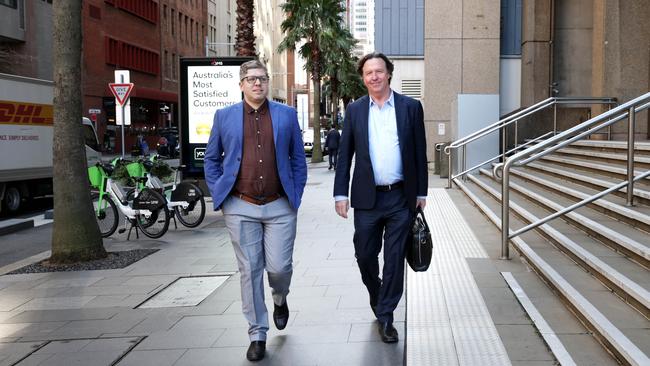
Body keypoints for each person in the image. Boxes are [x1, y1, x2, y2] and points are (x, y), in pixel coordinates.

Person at [204, 60, 307, 362]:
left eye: (262, 78)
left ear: (267, 82)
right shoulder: (224, 117)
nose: (257, 84)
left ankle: (279, 297)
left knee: (279, 268)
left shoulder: (286, 115)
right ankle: (257, 333)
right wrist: (220, 191)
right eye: (251, 79)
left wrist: (296, 195)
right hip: (240, 205)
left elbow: (298, 159)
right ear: (241, 84)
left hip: (280, 205)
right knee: (249, 271)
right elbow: (211, 159)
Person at [333, 52, 427, 344]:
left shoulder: (411, 107)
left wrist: (421, 192)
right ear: (363, 78)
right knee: (364, 255)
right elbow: (345, 154)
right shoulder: (356, 110)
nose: (374, 76)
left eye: (378, 71)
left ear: (389, 73)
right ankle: (378, 296)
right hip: (366, 198)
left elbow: (419, 153)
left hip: (400, 197)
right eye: (368, 72)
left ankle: (387, 316)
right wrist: (340, 193)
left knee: (395, 258)